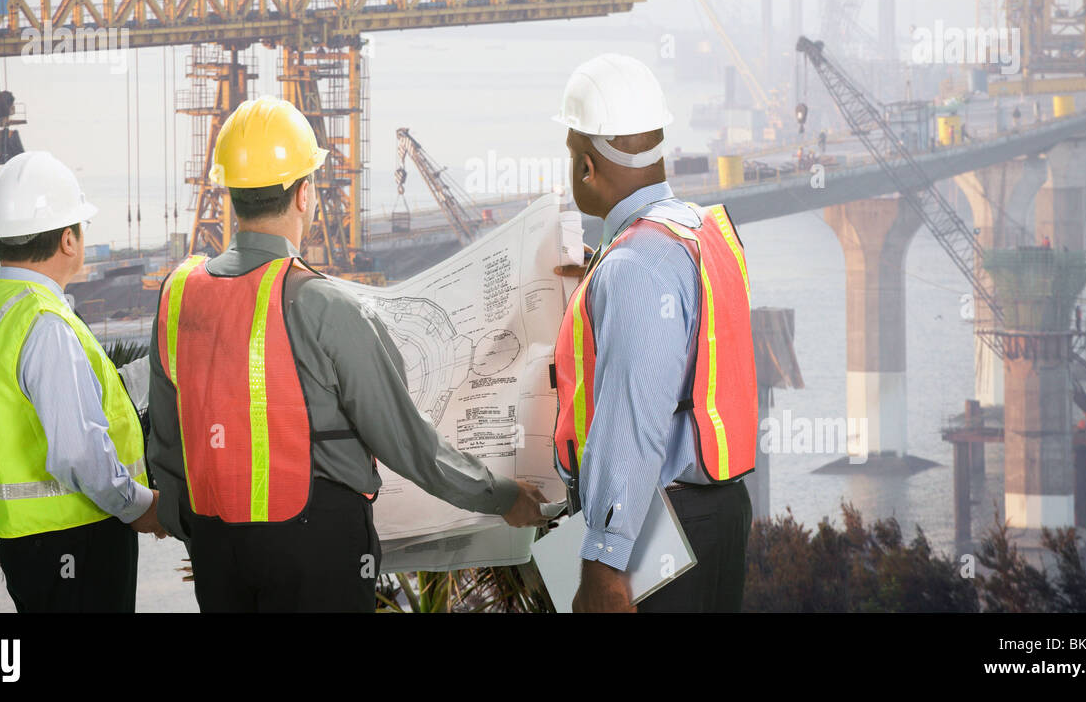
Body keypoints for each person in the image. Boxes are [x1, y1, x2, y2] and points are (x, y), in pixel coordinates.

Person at [147, 96, 549, 612]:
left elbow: (167, 440)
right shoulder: (325, 306)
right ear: (305, 195)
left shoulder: (177, 295)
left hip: (217, 547)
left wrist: (196, 529)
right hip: (316, 548)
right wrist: (501, 495)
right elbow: (410, 445)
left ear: (229, 193)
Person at [550, 54, 758, 613]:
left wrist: (603, 564)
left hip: (659, 529)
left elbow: (633, 422)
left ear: (587, 166)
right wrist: (602, 276)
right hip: (717, 512)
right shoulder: (695, 229)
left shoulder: (636, 267)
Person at [0, 151, 163, 613]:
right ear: (69, 239)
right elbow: (78, 451)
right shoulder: (46, 320)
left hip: (37, 546)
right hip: (78, 539)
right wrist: (138, 504)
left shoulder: (1, 307)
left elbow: (84, 396)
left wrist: (162, 371)